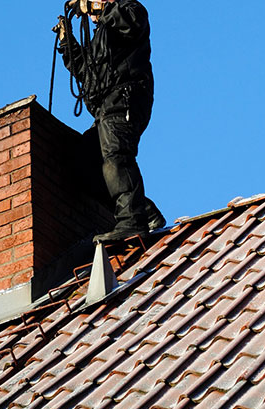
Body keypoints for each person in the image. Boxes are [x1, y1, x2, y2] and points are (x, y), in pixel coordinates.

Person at [55, 0, 165, 243]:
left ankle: (131, 222)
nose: (91, 18)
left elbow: (128, 23)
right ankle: (144, 212)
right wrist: (67, 43)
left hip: (125, 98)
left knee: (116, 156)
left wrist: (96, 6)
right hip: (105, 107)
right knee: (85, 164)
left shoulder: (131, 10)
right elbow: (87, 73)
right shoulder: (100, 37)